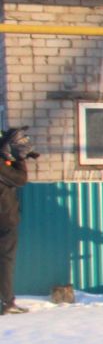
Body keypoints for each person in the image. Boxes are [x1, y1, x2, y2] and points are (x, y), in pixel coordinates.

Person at [0, 127, 29, 315]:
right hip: (4, 219)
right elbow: (20, 179)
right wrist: (20, 158)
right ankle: (7, 303)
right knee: (5, 259)